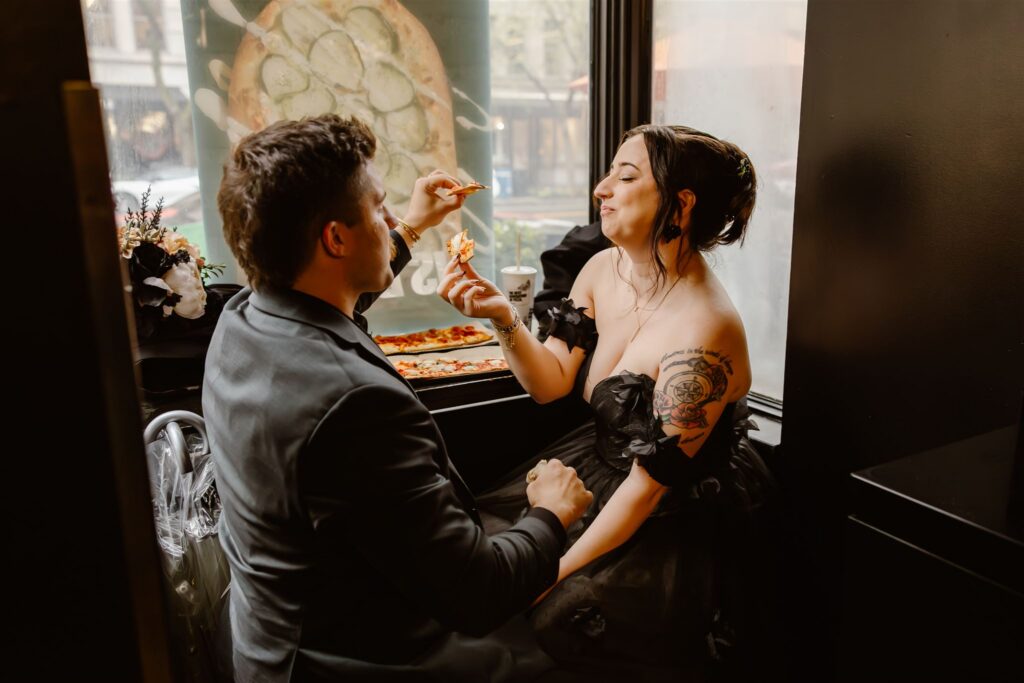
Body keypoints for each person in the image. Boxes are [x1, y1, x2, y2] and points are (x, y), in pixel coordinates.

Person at [204, 114, 593, 682]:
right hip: (357, 659)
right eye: (378, 208)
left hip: (266, 637)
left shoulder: (244, 318)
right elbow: (478, 595)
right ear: (335, 238)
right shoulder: (354, 405)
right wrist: (551, 513)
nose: (390, 219)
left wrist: (411, 226)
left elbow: (336, 307)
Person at [438, 124, 775, 679]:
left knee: (560, 612)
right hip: (600, 467)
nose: (601, 189)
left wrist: (548, 571)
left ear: (680, 205)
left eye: (625, 176)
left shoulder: (705, 328)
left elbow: (646, 488)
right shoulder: (601, 268)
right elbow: (549, 382)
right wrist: (503, 317)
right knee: (483, 552)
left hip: (670, 507)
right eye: (608, 175)